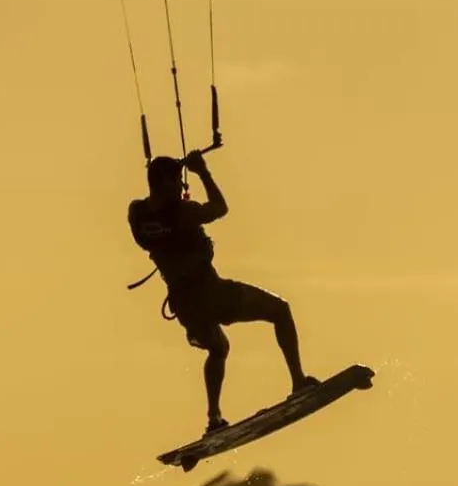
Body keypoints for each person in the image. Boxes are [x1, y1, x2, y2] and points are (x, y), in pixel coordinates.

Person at [128, 150, 318, 435]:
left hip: (184, 306)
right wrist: (202, 171)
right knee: (280, 310)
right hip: (211, 293)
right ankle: (298, 381)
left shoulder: (137, 214)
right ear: (165, 183)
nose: (181, 187)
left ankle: (214, 418)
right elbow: (219, 208)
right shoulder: (184, 212)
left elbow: (161, 225)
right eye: (177, 181)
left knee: (218, 348)